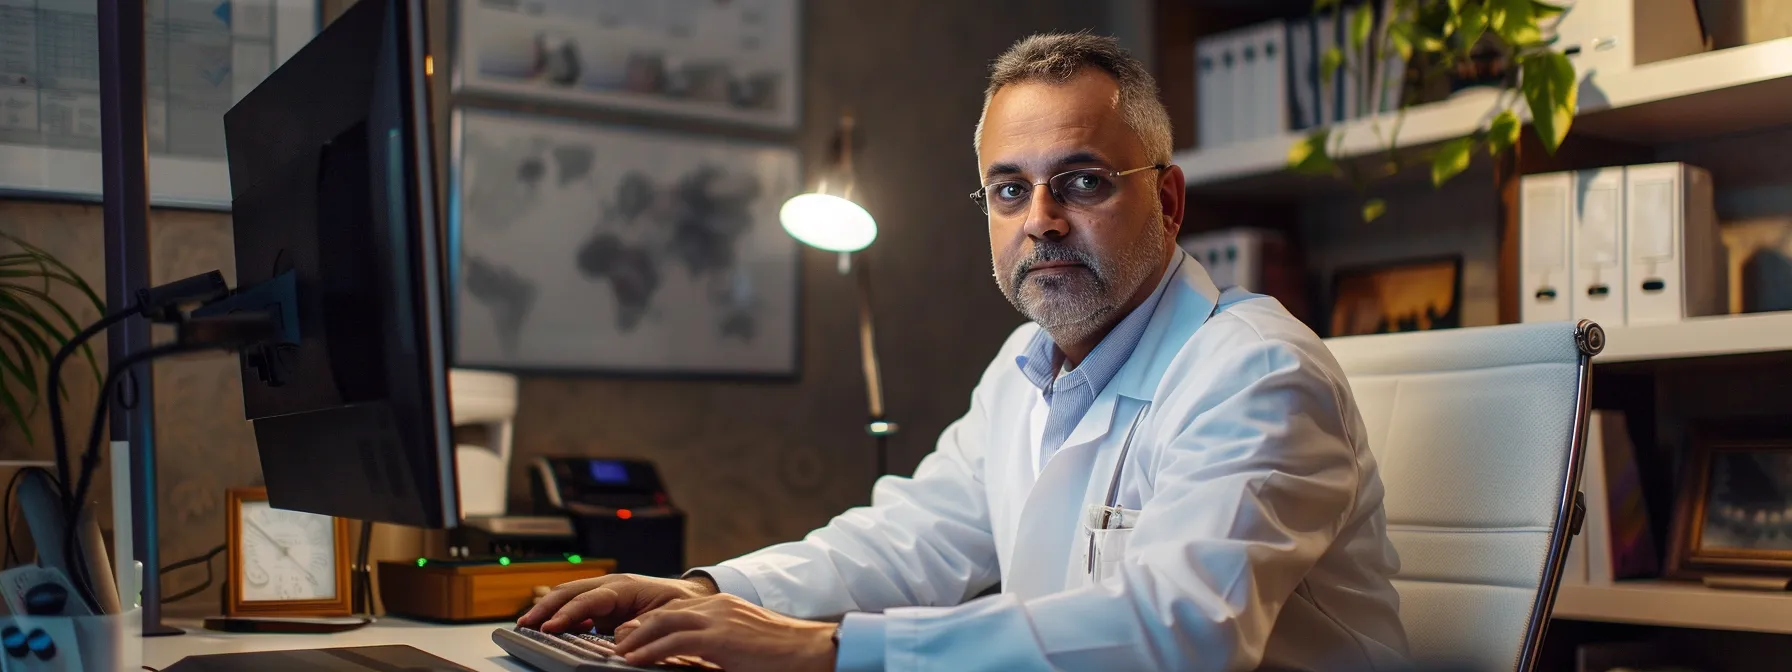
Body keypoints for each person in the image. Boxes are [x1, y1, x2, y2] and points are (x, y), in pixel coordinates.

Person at [520, 33, 1410, 672]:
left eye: (1084, 182)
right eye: (1009, 189)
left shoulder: (1256, 375)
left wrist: (827, 650)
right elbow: (911, 539)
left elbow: (1179, 636)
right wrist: (712, 588)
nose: (1042, 220)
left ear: (1169, 201)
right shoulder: (1025, 366)